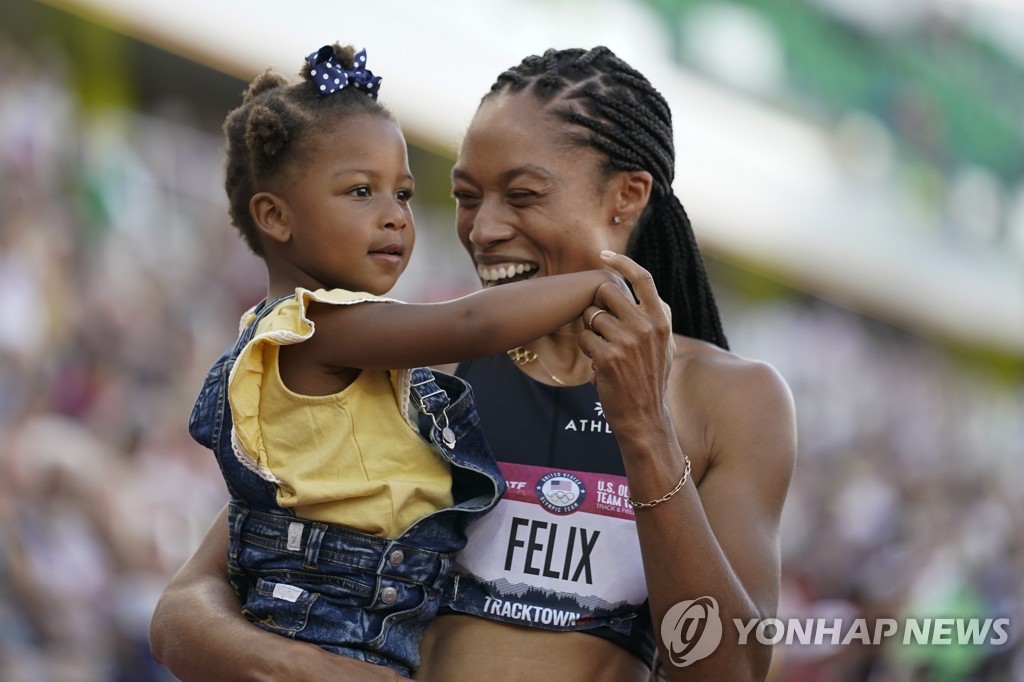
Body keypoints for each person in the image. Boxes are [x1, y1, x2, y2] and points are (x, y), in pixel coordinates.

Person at [150, 46, 797, 681]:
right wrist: (302, 666)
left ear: (625, 197)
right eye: (466, 197)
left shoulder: (731, 400)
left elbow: (728, 668)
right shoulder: (418, 364)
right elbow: (186, 608)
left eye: (521, 195)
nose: (483, 229)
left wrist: (646, 433)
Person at [182, 42, 635, 678]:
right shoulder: (315, 328)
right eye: (361, 191)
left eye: (403, 193)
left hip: (370, 610)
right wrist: (598, 283)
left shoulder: (335, 337)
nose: (395, 217)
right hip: (326, 613)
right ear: (275, 217)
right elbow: (468, 322)